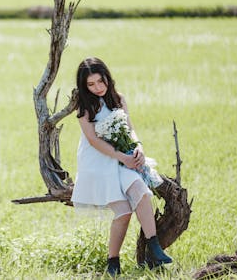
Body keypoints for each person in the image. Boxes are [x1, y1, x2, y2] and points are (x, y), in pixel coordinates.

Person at [70, 57, 172, 276]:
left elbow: (130, 128)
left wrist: (138, 147)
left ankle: (154, 246)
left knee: (141, 191)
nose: (97, 87)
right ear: (84, 86)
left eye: (100, 81)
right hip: (97, 161)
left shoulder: (118, 98)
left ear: (107, 77)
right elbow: (93, 140)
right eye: (91, 84)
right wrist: (121, 157)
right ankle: (113, 261)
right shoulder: (85, 105)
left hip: (121, 158)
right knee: (124, 211)